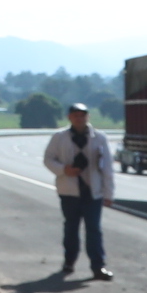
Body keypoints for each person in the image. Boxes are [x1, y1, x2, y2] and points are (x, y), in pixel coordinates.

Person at [42, 102, 114, 279]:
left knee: (94, 230)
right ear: (70, 118)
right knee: (71, 228)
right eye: (76, 116)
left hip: (93, 191)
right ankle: (69, 262)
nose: (79, 119)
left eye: (82, 115)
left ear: (87, 117)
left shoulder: (99, 138)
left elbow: (107, 168)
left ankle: (98, 267)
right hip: (69, 191)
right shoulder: (59, 137)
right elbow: (48, 159)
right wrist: (64, 169)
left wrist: (108, 193)